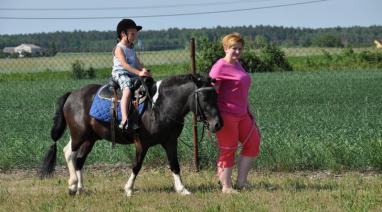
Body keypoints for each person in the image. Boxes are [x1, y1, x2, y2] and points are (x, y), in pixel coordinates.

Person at [209, 33, 261, 194]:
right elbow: (209, 93)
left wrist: (249, 110)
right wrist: (212, 116)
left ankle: (242, 181)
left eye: (240, 49)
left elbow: (241, 90)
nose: (237, 52)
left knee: (253, 142)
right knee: (228, 148)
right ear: (225, 48)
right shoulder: (219, 67)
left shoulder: (237, 64)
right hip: (226, 115)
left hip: (243, 114)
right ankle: (226, 186)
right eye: (234, 48)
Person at [111, 19, 151, 130]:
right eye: (132, 34)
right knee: (127, 89)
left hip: (131, 73)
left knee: (148, 83)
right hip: (121, 73)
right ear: (123, 34)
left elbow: (138, 63)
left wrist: (144, 70)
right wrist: (139, 72)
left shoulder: (131, 48)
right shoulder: (119, 48)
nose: (135, 36)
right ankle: (124, 119)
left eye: (135, 34)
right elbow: (125, 65)